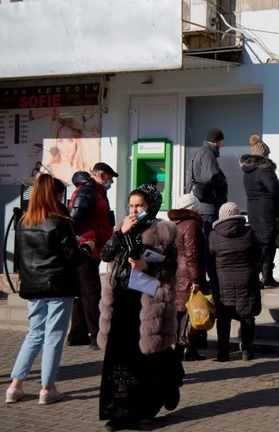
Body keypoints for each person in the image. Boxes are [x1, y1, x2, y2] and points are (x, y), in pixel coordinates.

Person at [98, 184, 182, 430]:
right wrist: (120, 233)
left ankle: (146, 410)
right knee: (119, 360)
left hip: (148, 302)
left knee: (146, 360)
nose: (134, 210)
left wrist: (148, 267)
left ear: (151, 206)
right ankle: (118, 411)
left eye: (139, 206)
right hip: (120, 301)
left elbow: (171, 267)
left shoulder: (162, 230)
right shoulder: (121, 228)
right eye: (131, 205)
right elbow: (105, 255)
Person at [5, 174, 95, 405]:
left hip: (33, 285)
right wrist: (86, 248)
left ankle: (15, 385)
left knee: (34, 334)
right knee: (54, 336)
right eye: (60, 194)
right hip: (58, 284)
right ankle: (47, 387)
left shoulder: (24, 222)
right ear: (54, 195)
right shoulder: (59, 222)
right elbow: (73, 258)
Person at [66, 162, 118, 350]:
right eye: (110, 178)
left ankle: (78, 333)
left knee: (83, 291)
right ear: (102, 175)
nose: (111, 182)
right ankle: (96, 335)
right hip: (86, 247)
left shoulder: (94, 191)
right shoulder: (88, 192)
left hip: (91, 245)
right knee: (91, 291)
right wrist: (83, 241)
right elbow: (74, 219)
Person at [208, 202, 262, 362]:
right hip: (247, 280)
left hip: (223, 281)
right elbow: (257, 254)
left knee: (224, 318)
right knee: (247, 316)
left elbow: (210, 259)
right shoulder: (248, 232)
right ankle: (247, 350)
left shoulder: (213, 235)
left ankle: (223, 351)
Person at [240, 134, 279, 287]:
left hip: (253, 211)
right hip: (267, 211)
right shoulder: (265, 170)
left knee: (259, 242)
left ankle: (264, 275)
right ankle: (263, 275)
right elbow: (275, 189)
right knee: (268, 243)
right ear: (263, 154)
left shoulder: (248, 172)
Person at [188, 128, 228, 295]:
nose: (222, 145)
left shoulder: (199, 152)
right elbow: (209, 176)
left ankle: (204, 280)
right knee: (208, 247)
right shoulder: (208, 153)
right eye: (222, 142)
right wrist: (222, 182)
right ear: (217, 141)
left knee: (203, 246)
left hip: (202, 205)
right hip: (209, 207)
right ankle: (211, 281)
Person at [168, 193, 207, 362]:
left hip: (177, 274)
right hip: (188, 276)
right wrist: (196, 279)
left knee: (182, 312)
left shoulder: (173, 224)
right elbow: (192, 254)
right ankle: (181, 351)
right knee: (188, 313)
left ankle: (189, 350)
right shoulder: (191, 225)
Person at [48, 118, 88, 183]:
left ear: (77, 142)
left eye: (70, 141)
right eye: (60, 141)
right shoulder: (48, 170)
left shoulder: (85, 170)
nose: (65, 148)